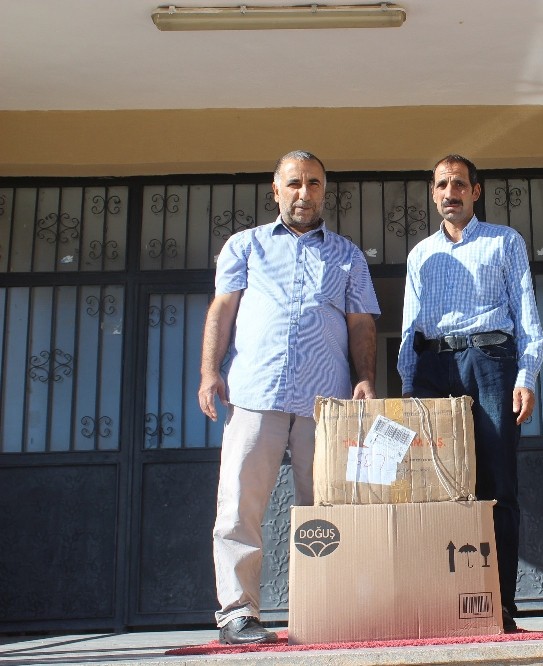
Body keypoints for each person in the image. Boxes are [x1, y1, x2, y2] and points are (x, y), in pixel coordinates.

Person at [199, 150, 380, 645]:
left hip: (327, 402)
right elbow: (223, 307)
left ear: (325, 190)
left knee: (326, 505)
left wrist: (365, 378)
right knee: (240, 502)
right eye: (295, 183)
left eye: (315, 184)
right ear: (276, 189)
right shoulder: (245, 246)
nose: (305, 193)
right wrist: (210, 370)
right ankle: (238, 612)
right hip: (256, 391)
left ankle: (325, 607)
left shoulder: (347, 254)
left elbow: (361, 322)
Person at [398, 154, 543, 632]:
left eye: (459, 183)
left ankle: (498, 605)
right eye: (441, 184)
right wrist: (407, 388)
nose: (450, 192)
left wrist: (527, 375)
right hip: (433, 368)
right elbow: (409, 325)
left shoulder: (505, 241)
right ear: (433, 192)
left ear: (476, 191)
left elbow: (526, 310)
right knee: (436, 486)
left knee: (497, 484)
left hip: (490, 364)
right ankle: (445, 602)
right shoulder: (421, 254)